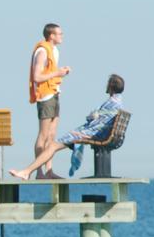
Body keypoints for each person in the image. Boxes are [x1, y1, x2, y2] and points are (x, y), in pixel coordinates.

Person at [10, 74, 124, 180]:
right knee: (52, 145)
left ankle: (27, 171)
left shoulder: (111, 103)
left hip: (93, 134)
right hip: (100, 134)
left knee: (53, 145)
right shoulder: (118, 102)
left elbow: (93, 119)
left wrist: (89, 119)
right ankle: (44, 172)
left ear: (111, 86)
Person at [28, 22, 72, 179]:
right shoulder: (42, 51)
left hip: (54, 93)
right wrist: (57, 73)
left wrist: (60, 73)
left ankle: (49, 170)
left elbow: (51, 72)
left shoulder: (54, 50)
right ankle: (39, 172)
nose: (62, 36)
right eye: (59, 34)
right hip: (45, 96)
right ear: (51, 35)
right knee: (43, 134)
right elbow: (37, 76)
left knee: (52, 135)